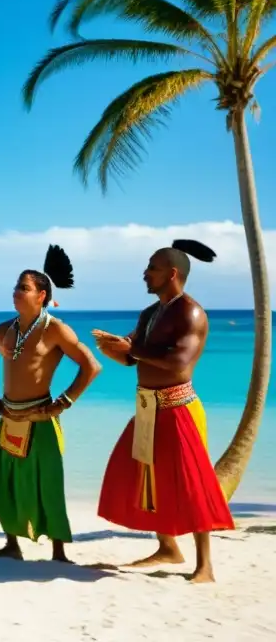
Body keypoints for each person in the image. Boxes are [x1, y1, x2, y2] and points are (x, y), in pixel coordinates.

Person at [92, 239, 234, 583]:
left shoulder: (191, 312)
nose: (145, 273)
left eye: (152, 268)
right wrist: (112, 349)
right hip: (147, 406)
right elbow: (131, 358)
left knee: (191, 481)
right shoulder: (150, 313)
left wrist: (134, 349)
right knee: (139, 474)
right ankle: (168, 547)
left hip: (178, 406)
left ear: (172, 274)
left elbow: (178, 361)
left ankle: (205, 566)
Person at [0, 245, 101, 562]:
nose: (16, 292)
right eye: (16, 286)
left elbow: (91, 366)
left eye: (24, 287)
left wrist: (63, 402)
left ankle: (59, 552)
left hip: (41, 417)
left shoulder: (55, 330)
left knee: (49, 482)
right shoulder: (2, 330)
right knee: (4, 481)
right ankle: (12, 545)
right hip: (9, 416)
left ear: (41, 295)